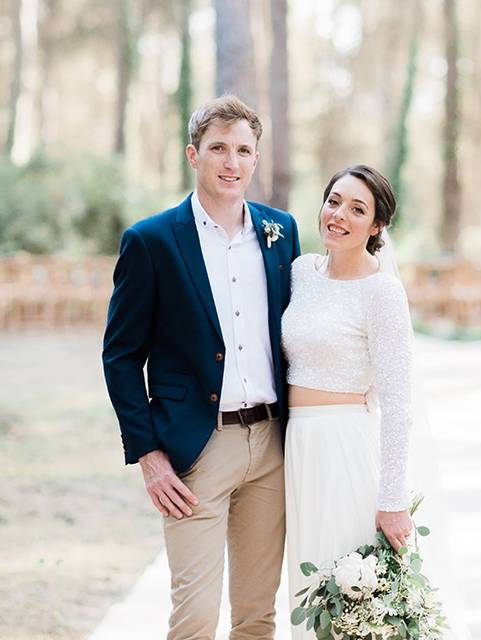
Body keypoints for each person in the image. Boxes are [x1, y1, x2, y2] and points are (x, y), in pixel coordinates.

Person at [102, 95, 300, 640]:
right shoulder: (152, 241)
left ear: (256, 159)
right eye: (218, 148)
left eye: (242, 150)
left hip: (272, 448)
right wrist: (148, 455)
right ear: (194, 154)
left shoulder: (280, 232)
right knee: (193, 619)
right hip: (197, 452)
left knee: (258, 616)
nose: (230, 162)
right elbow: (120, 356)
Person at [281, 165, 468, 639]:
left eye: (357, 209)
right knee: (307, 590)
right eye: (334, 201)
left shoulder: (382, 292)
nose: (339, 215)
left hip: (348, 449)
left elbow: (399, 401)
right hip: (298, 449)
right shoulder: (301, 272)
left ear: (377, 226)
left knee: (349, 597)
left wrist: (391, 499)